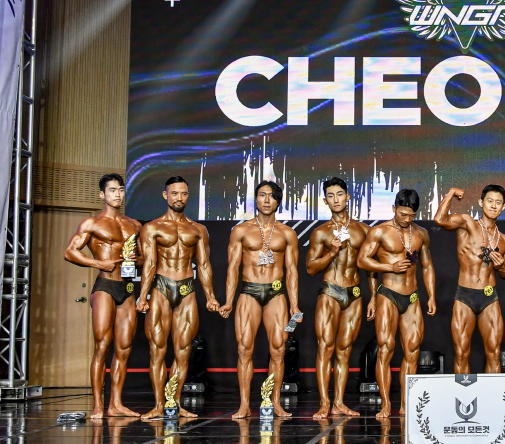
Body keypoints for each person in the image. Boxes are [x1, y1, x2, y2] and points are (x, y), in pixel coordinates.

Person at [135, 176, 220, 419]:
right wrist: (143, 296)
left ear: (188, 196)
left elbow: (203, 265)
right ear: (166, 195)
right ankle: (158, 405)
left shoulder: (198, 230)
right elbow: (150, 264)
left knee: (183, 351)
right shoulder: (152, 228)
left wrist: (211, 296)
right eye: (174, 193)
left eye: (183, 193)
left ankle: (175, 403)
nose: (179, 198)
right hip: (161, 286)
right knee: (157, 350)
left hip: (186, 289)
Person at [62, 173, 143, 420]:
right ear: (102, 194)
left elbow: (145, 259)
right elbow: (70, 252)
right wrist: (99, 263)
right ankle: (98, 405)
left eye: (121, 190)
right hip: (105, 285)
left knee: (124, 348)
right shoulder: (92, 223)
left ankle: (115, 404)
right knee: (102, 346)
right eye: (112, 190)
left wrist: (136, 260)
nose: (117, 194)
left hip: (127, 288)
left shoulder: (134, 225)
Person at [221, 181, 301, 419]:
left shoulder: (287, 233)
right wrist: (228, 301)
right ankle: (244, 405)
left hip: (276, 293)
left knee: (278, 349)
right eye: (262, 195)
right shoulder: (241, 231)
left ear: (278, 201)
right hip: (249, 291)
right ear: (255, 199)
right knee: (244, 348)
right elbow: (232, 268)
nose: (266, 200)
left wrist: (295, 305)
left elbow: (292, 271)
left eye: (271, 196)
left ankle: (275, 402)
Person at [357, 188, 437, 418]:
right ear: (394, 208)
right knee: (386, 348)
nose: (407, 219)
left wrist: (431, 295)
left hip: (412, 297)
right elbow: (362, 260)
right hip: (388, 294)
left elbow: (427, 266)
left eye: (411, 215)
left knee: (412, 351)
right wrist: (389, 267)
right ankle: (385, 404)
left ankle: (405, 404)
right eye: (403, 214)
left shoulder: (421, 233)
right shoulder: (380, 231)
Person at [305, 177, 373, 419]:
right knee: (326, 347)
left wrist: (374, 297)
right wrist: (332, 252)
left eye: (339, 194)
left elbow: (370, 267)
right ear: (325, 201)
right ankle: (324, 403)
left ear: (347, 197)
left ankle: (339, 403)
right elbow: (310, 268)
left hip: (354, 293)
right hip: (331, 291)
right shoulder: (321, 232)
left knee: (344, 350)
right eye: (330, 196)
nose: (336, 199)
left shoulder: (364, 230)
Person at [436, 185, 505, 374]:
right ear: (481, 202)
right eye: (490, 201)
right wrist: (451, 193)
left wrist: (501, 267)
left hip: (490, 297)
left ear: (503, 207)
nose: (494, 206)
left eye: (498, 203)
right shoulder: (467, 224)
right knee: (461, 353)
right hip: (465, 295)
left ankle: (492, 394)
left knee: (494, 353)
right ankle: (462, 393)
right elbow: (440, 220)